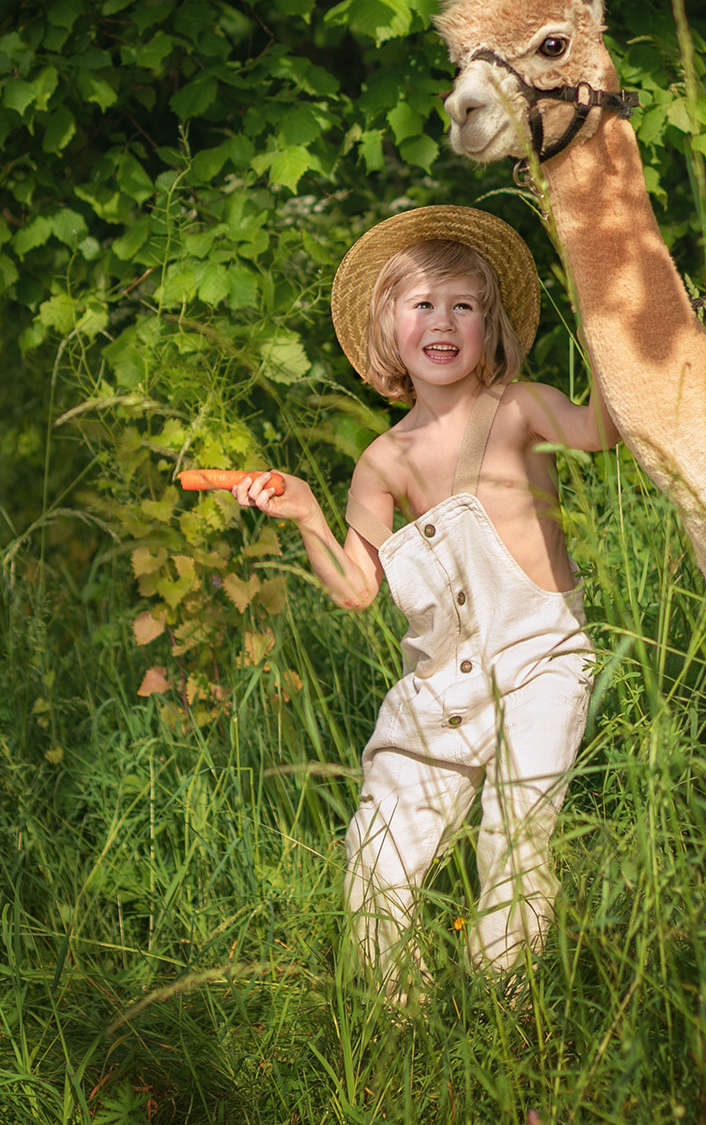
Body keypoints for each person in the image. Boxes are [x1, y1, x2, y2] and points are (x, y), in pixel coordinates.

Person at [231, 205, 617, 996]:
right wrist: (305, 510)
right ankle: (401, 1028)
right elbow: (356, 588)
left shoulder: (521, 407)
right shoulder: (384, 459)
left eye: (463, 306)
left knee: (514, 843)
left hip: (541, 662)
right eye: (422, 305)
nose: (442, 322)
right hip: (443, 687)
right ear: (389, 329)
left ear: (490, 326)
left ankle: (510, 1015)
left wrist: (614, 336)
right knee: (374, 864)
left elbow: (602, 431)